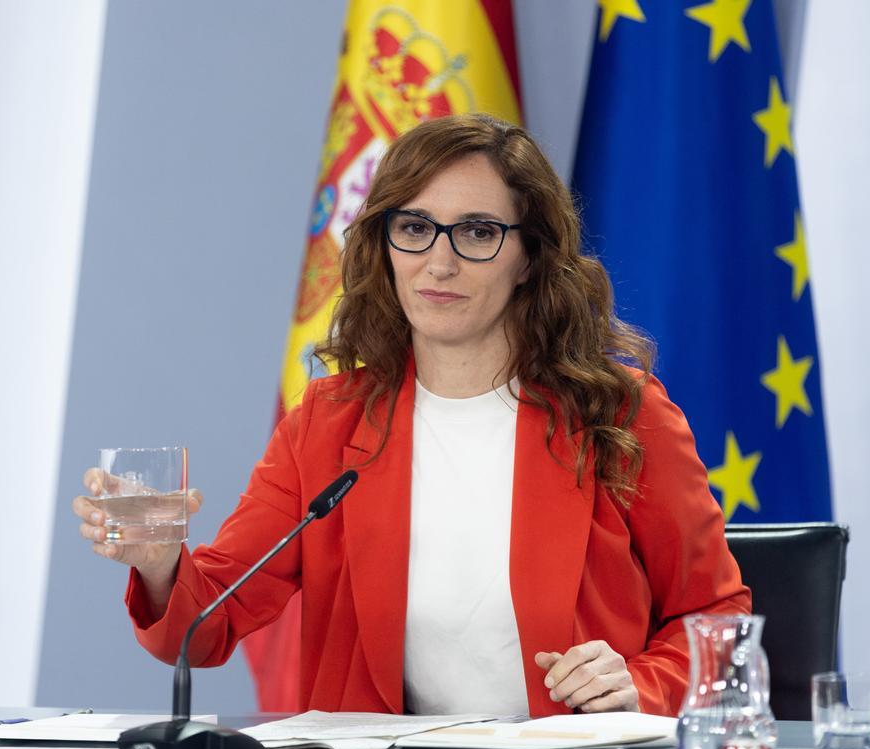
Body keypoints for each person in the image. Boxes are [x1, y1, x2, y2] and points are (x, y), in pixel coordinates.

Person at [72, 114, 750, 718]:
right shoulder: (328, 425)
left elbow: (717, 615)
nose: (440, 261)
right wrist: (161, 563)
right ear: (385, 243)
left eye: (478, 232)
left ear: (530, 259)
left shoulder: (619, 412)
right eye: (415, 228)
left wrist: (642, 683)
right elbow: (209, 620)